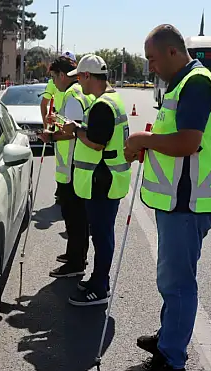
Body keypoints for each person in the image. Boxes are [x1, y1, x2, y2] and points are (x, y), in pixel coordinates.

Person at [122, 24, 211, 371]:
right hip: (180, 201)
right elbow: (176, 144)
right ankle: (169, 337)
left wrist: (142, 139)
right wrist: (148, 148)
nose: (150, 66)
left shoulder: (195, 83)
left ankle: (171, 358)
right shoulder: (182, 83)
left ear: (171, 52)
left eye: (152, 59)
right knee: (173, 280)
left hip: (187, 203)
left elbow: (187, 142)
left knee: (177, 283)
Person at [57, 54, 131, 306]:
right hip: (108, 179)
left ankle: (100, 287)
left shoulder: (102, 105)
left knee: (101, 236)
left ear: (88, 76)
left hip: (103, 180)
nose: (78, 82)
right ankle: (98, 279)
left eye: (79, 77)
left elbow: (97, 143)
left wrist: (75, 130)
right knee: (102, 234)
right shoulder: (112, 100)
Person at [39, 55, 94, 278]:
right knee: (75, 216)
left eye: (54, 76)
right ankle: (74, 254)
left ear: (62, 75)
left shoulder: (72, 95)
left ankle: (75, 262)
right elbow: (74, 125)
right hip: (75, 165)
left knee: (74, 217)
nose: (54, 81)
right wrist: (57, 121)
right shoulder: (80, 92)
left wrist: (50, 137)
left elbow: (72, 133)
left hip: (72, 166)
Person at [41, 51, 77, 199]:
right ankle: (62, 190)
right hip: (61, 128)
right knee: (62, 163)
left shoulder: (75, 91)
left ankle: (68, 193)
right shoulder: (53, 83)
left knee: (72, 163)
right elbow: (44, 103)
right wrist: (47, 125)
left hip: (69, 130)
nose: (54, 81)